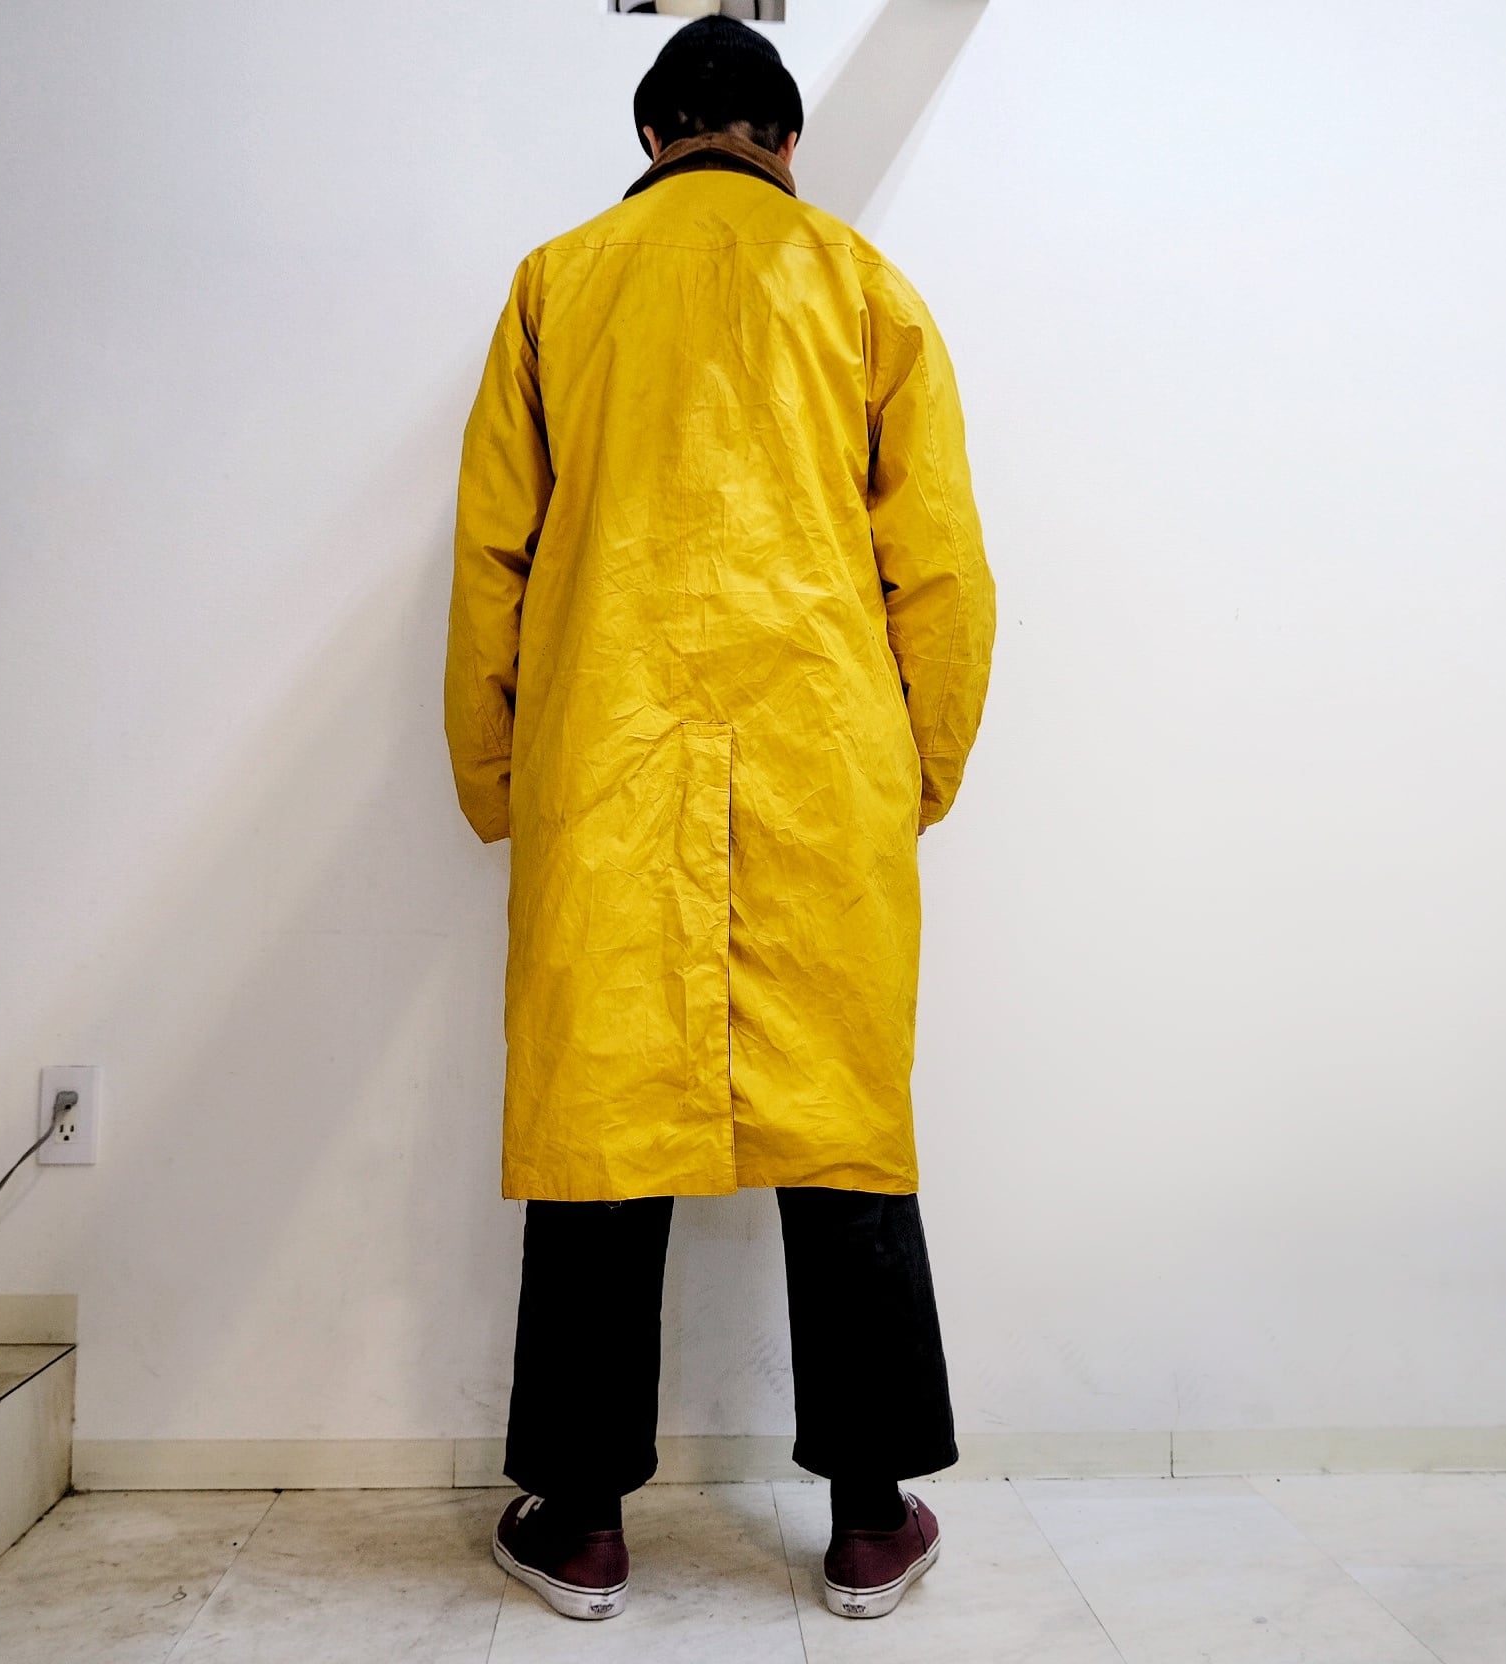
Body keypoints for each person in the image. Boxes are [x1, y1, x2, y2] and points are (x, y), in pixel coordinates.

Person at [443, 16, 996, 1623]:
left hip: (606, 764)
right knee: (843, 1125)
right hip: (827, 768)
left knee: (602, 1129)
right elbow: (942, 572)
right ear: (786, 140)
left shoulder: (558, 284)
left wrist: (500, 778)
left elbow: (492, 560)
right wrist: (916, 773)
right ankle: (873, 1521)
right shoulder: (866, 288)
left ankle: (580, 1522)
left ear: (650, 135)